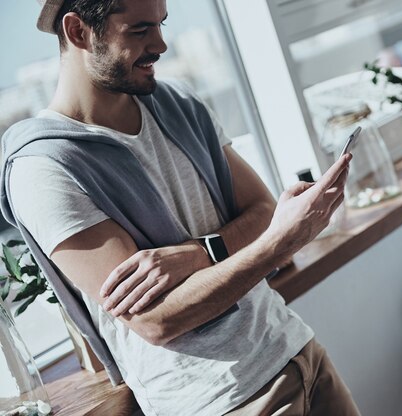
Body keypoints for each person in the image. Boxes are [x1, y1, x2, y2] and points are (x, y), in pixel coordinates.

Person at [0, 0, 361, 414]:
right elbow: (158, 319)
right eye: (139, 31)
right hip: (222, 400)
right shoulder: (43, 169)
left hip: (297, 350)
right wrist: (280, 243)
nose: (161, 44)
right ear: (79, 32)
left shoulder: (181, 106)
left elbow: (262, 208)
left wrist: (197, 254)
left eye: (162, 25)